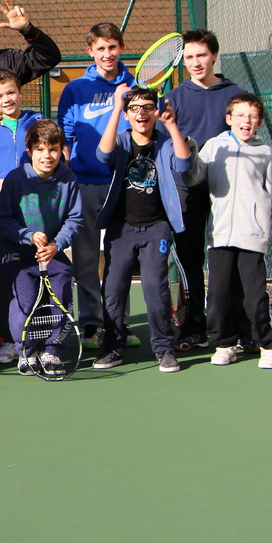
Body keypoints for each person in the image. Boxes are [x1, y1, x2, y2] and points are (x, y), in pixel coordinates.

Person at [183, 93, 272, 369]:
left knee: (254, 298)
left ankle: (268, 345)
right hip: (220, 237)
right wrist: (191, 149)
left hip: (253, 238)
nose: (247, 120)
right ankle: (225, 344)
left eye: (253, 116)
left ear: (260, 123)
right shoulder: (214, 146)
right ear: (229, 118)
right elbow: (193, 178)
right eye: (241, 115)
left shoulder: (264, 152)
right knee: (217, 297)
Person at [93, 85, 197, 373]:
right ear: (128, 115)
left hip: (156, 228)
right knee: (113, 290)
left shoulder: (165, 142)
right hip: (120, 228)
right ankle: (113, 348)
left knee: (156, 289)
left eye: (148, 107)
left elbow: (185, 162)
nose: (142, 113)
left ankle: (164, 349)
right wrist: (116, 107)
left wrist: (172, 125)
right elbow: (102, 155)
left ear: (156, 112)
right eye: (135, 108)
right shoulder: (121, 141)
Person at [167, 29, 253, 352]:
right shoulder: (174, 98)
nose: (195, 62)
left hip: (225, 190)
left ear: (214, 55)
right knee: (189, 260)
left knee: (228, 260)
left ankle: (236, 329)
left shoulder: (236, 95)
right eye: (189, 57)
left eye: (201, 55)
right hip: (185, 189)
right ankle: (193, 328)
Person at [57, 23, 134, 350]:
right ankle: (91, 324)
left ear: (121, 48)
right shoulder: (75, 89)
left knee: (121, 259)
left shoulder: (134, 86)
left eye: (112, 47)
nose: (107, 54)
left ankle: (119, 323)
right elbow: (65, 136)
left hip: (124, 184)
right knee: (86, 259)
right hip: (85, 184)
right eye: (100, 48)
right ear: (90, 51)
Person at [0, 120, 82, 376]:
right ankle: (26, 352)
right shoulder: (15, 179)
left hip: (51, 252)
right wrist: (28, 236)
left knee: (63, 284)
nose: (47, 155)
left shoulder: (69, 179)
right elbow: (2, 219)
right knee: (25, 299)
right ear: (29, 151)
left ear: (61, 150)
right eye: (40, 149)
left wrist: (56, 244)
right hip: (17, 252)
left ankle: (52, 350)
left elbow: (75, 220)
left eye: (53, 149)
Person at [0, 69, 44, 363]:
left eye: (11, 92)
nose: (6, 99)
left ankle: (41, 336)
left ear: (20, 93)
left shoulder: (37, 122)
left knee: (39, 269)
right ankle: (6, 337)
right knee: (4, 272)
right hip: (0, 211)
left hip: (35, 210)